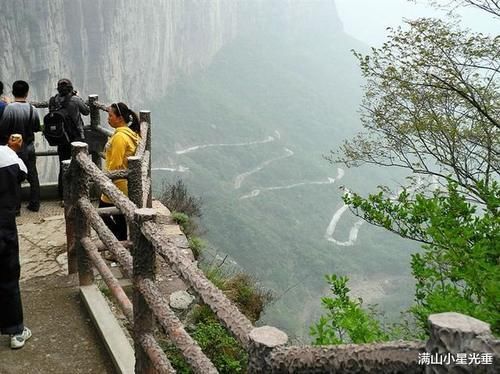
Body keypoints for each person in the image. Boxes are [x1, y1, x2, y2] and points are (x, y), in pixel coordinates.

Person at [0, 137, 32, 349]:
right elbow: (23, 174)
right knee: (8, 276)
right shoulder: (7, 155)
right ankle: (16, 331)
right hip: (3, 226)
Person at [100, 102, 140, 240]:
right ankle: (121, 242)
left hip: (117, 182)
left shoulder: (119, 138)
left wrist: (105, 180)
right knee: (119, 215)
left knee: (102, 212)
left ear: (120, 118)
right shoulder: (130, 133)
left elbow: (116, 165)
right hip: (124, 182)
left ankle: (119, 241)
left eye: (110, 115)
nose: (108, 118)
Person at [0, 80, 41, 213]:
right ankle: (35, 204)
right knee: (33, 175)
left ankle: (16, 207)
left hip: (14, 146)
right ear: (27, 93)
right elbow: (36, 127)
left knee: (15, 176)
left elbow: (4, 128)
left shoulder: (9, 108)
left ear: (13, 92)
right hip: (29, 145)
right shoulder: (32, 109)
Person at [48, 78, 90, 200]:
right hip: (77, 137)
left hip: (60, 138)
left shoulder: (53, 101)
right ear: (71, 88)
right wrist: (78, 97)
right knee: (80, 165)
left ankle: (63, 196)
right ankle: (80, 195)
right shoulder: (75, 99)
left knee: (63, 166)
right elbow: (86, 111)